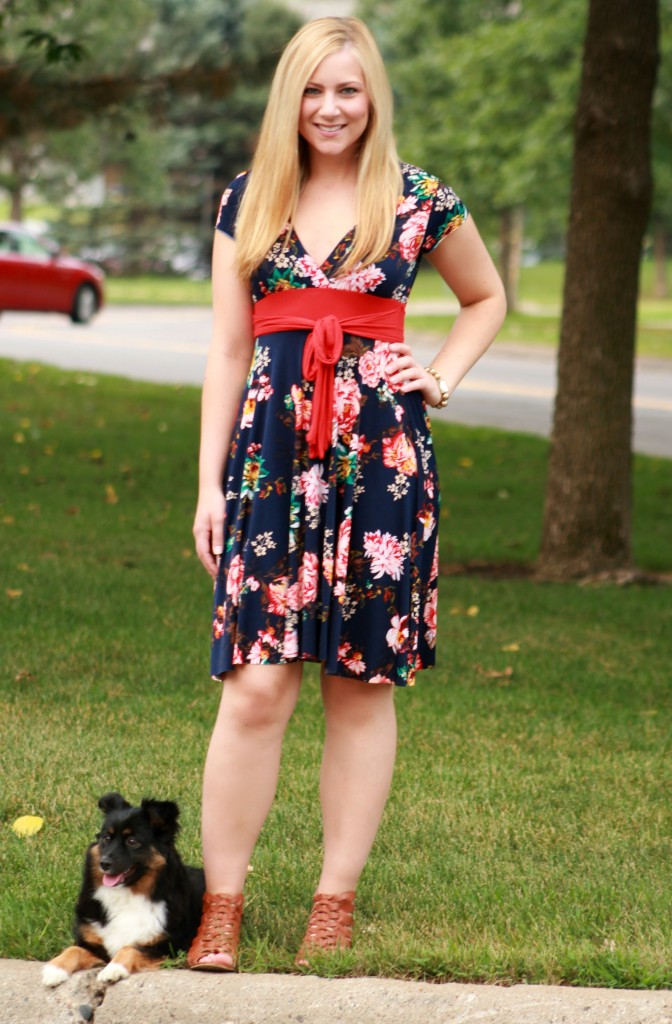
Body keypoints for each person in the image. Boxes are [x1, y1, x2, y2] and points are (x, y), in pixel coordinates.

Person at [187, 16, 506, 971]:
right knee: (254, 687)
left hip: (382, 466)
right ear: (292, 99)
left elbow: (484, 298)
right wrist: (207, 485)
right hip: (270, 463)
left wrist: (438, 376)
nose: (331, 108)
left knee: (359, 684)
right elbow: (229, 350)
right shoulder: (246, 201)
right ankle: (223, 908)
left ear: (374, 100)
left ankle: (333, 899)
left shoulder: (419, 201)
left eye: (349, 91)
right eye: (315, 91)